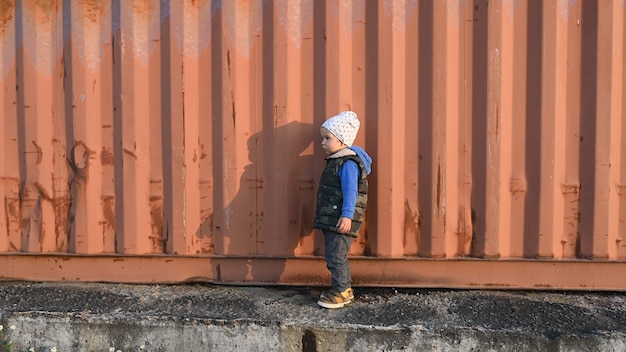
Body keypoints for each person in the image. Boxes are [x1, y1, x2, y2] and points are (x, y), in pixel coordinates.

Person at [313, 110, 372, 309]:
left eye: (327, 138)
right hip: (334, 218)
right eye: (323, 137)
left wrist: (347, 216)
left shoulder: (347, 164)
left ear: (341, 140)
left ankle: (342, 292)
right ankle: (342, 290)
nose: (322, 142)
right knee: (333, 254)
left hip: (342, 219)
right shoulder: (336, 161)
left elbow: (350, 192)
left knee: (336, 256)